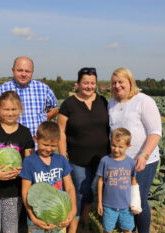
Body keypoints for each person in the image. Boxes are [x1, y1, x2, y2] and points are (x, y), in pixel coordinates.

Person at [108, 67, 162, 233]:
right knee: (125, 199)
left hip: (143, 160)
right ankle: (127, 229)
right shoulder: (111, 104)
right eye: (114, 82)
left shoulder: (143, 101)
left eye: (121, 82)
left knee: (137, 200)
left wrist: (144, 155)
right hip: (121, 161)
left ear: (130, 82)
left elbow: (156, 131)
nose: (117, 85)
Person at [58, 67, 110, 232]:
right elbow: (61, 132)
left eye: (92, 83)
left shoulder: (103, 101)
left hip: (101, 159)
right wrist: (62, 156)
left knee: (92, 190)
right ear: (78, 84)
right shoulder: (68, 104)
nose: (89, 86)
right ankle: (73, 225)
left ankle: (85, 218)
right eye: (85, 83)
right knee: (80, 192)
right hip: (77, 159)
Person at [0, 91, 35, 233]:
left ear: (20, 109)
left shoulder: (25, 133)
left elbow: (29, 161)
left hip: (14, 191)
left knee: (11, 229)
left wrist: (22, 171)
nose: (10, 113)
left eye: (14, 109)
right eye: (6, 109)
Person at [20, 121, 77, 233]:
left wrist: (73, 210)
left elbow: (70, 187)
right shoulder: (29, 162)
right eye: (45, 144)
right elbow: (25, 192)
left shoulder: (61, 160)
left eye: (53, 146)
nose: (48, 149)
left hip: (59, 217)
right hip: (37, 218)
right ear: (36, 139)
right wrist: (32, 216)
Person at [0, 56, 58, 137]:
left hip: (37, 145)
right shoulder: (0, 90)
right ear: (13, 70)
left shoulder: (43, 88)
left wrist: (43, 119)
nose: (23, 74)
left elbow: (55, 109)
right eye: (20, 70)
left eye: (27, 71)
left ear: (32, 72)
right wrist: (7, 122)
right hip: (12, 144)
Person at [97, 128, 142, 233]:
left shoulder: (130, 162)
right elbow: (100, 181)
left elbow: (134, 183)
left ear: (128, 146)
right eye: (113, 145)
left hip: (126, 206)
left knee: (127, 229)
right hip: (108, 205)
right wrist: (99, 202)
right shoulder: (105, 161)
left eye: (120, 147)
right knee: (107, 230)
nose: (116, 149)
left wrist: (136, 204)